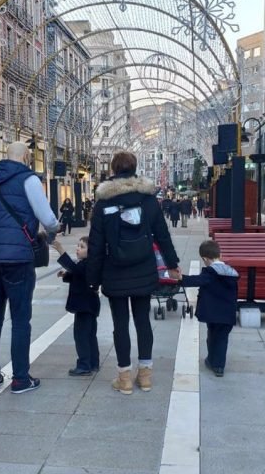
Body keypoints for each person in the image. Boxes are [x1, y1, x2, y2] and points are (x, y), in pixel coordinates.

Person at [87, 151, 179, 395]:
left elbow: (95, 245)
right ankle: (146, 376)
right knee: (142, 321)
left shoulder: (103, 203)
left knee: (120, 323)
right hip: (143, 268)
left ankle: (124, 377)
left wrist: (93, 280)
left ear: (113, 169)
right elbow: (162, 234)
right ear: (135, 168)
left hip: (115, 271)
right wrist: (172, 264)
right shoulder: (148, 201)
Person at [0, 142, 59, 394]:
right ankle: (20, 379)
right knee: (20, 319)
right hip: (17, 258)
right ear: (26, 157)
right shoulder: (29, 180)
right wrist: (53, 230)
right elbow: (47, 219)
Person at [176, 240, 238, 377]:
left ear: (204, 259)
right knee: (222, 339)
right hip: (228, 314)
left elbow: (196, 280)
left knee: (212, 337)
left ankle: (211, 360)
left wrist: (181, 278)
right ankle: (219, 366)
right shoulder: (232, 274)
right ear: (220, 255)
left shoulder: (210, 273)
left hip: (213, 314)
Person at [53, 237, 100, 376]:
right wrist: (66, 275)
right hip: (90, 306)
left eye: (82, 247)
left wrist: (61, 250)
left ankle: (84, 365)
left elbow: (75, 269)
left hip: (84, 307)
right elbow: (77, 275)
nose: (78, 248)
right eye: (78, 246)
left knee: (81, 336)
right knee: (90, 335)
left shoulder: (86, 264)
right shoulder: (88, 264)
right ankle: (93, 363)